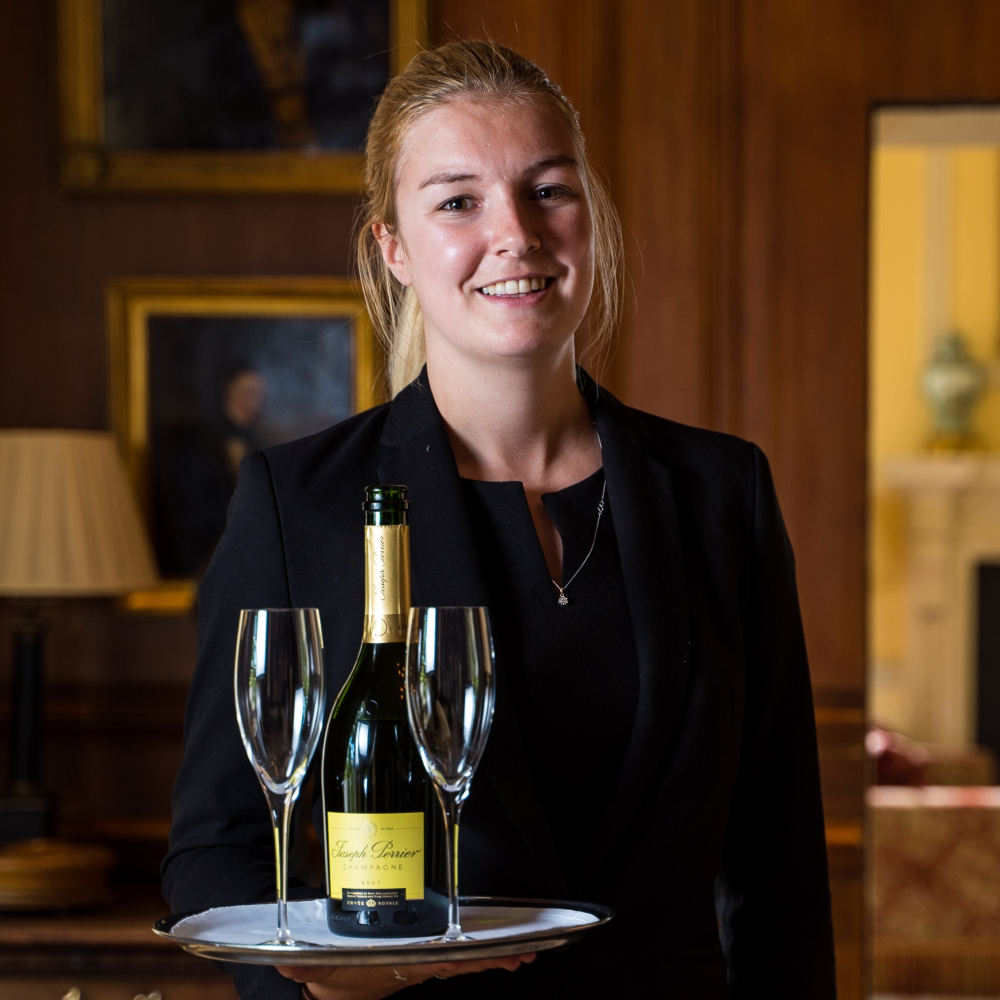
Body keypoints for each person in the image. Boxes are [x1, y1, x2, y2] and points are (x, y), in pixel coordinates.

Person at [162, 40, 837, 1000]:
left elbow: (779, 867)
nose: (514, 233)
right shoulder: (294, 503)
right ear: (392, 246)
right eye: (457, 200)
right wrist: (322, 985)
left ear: (589, 217)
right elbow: (215, 851)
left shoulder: (725, 491)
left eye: (548, 190)